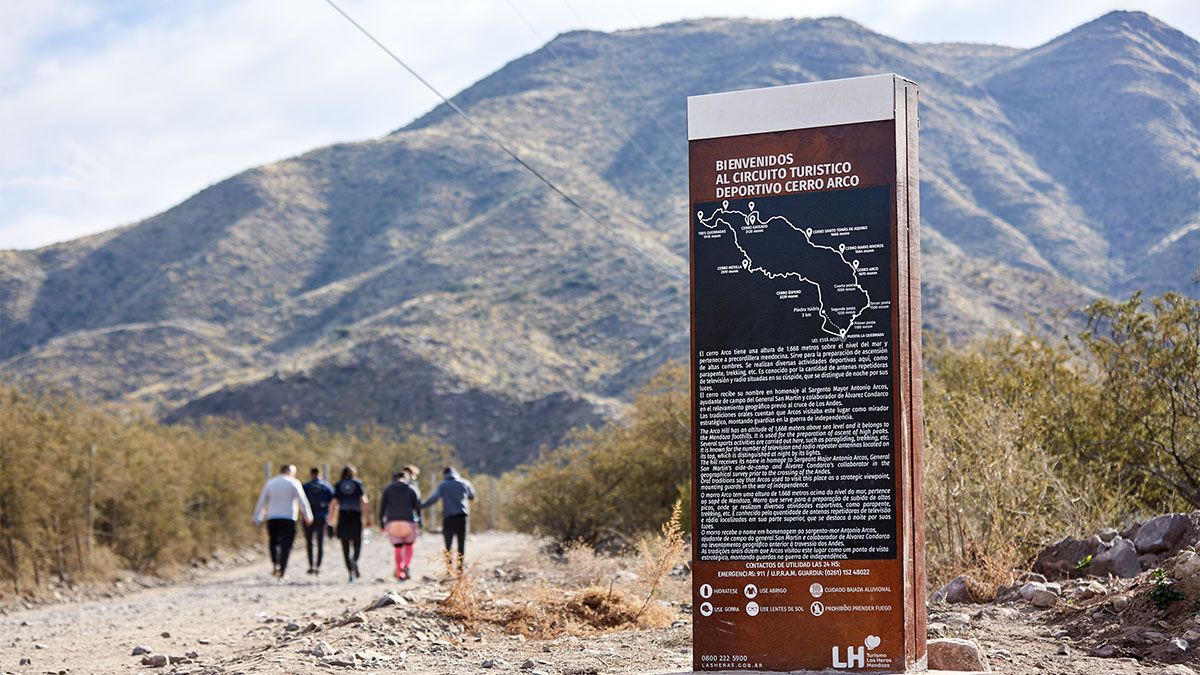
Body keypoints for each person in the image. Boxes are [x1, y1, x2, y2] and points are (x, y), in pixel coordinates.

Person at [251, 464, 314, 580]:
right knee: (287, 545)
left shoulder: (271, 483)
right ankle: (283, 570)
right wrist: (308, 516)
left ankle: (276, 563)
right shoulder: (294, 482)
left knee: (274, 542)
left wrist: (257, 517)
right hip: (289, 518)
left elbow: (262, 501)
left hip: (273, 518)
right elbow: (302, 500)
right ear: (290, 472)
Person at [421, 467, 475, 569]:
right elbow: (472, 496)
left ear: (445, 474)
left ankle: (449, 570)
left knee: (448, 545)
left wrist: (422, 505)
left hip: (448, 518)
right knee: (461, 544)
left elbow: (434, 498)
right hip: (462, 517)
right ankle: (460, 569)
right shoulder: (465, 482)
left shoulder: (443, 485)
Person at [379, 470, 422, 580]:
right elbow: (417, 507)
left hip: (392, 522)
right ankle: (404, 566)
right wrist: (420, 522)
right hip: (408, 522)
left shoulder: (388, 489)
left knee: (397, 549)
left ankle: (399, 573)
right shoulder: (412, 488)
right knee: (409, 546)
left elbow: (382, 507)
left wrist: (382, 524)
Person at [329, 465, 370, 582]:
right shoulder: (358, 483)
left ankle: (350, 571)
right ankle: (354, 561)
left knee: (345, 544)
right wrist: (368, 518)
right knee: (357, 542)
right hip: (355, 516)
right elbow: (364, 501)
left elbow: (333, 503)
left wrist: (330, 520)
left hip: (343, 516)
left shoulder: (338, 484)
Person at [302, 467, 335, 575]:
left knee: (309, 542)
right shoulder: (327, 486)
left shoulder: (306, 486)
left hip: (309, 517)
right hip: (322, 517)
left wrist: (303, 516)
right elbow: (333, 503)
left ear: (311, 474)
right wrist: (330, 518)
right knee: (321, 542)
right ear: (320, 474)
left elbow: (301, 502)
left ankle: (311, 565)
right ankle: (318, 566)